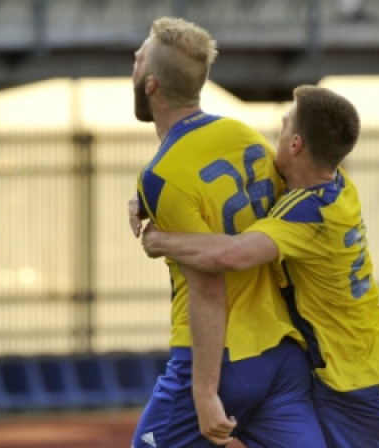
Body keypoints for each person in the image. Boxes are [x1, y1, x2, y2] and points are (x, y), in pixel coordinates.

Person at [140, 85, 379, 448]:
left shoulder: (305, 215)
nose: (275, 138)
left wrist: (160, 241)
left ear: (295, 144)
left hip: (357, 390)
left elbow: (228, 256)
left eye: (283, 128)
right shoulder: (339, 188)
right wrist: (147, 197)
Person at [127, 17, 326, 448]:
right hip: (281, 355)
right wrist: (146, 197)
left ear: (151, 85)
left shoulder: (162, 176)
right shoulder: (245, 136)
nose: (134, 65)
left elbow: (209, 289)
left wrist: (204, 392)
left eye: (138, 60)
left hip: (219, 361)